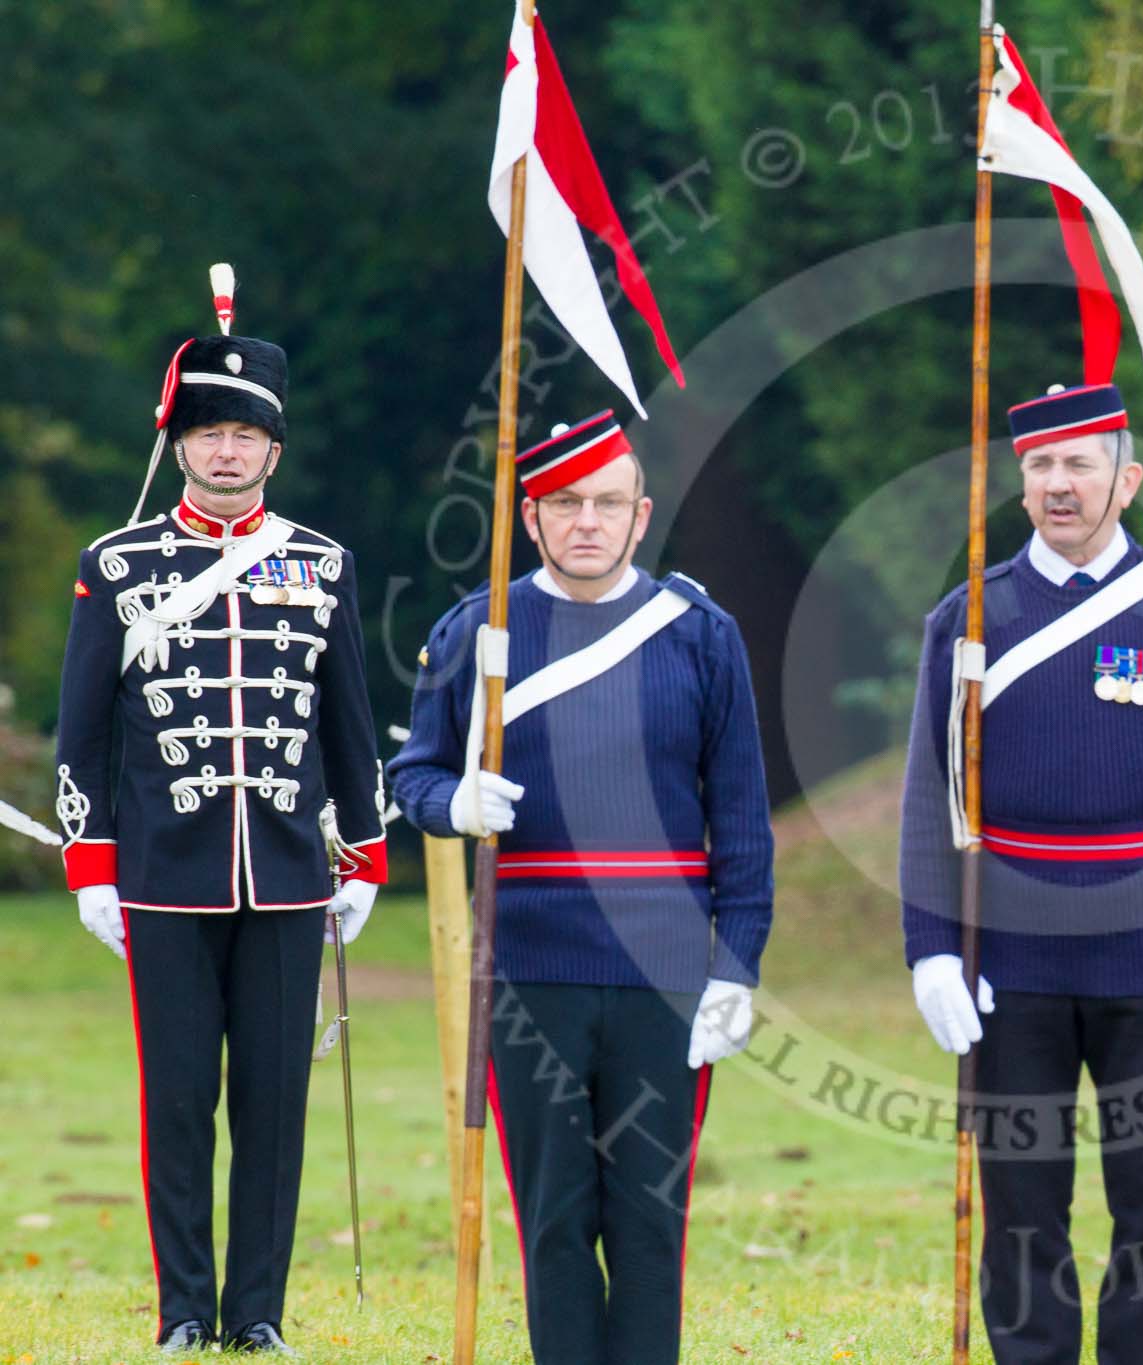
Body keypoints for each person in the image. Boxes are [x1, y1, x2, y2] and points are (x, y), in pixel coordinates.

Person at [897, 381, 1143, 1364]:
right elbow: (927, 799)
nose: (1058, 485)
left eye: (1079, 464)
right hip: (1006, 959)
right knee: (1021, 1208)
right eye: (1038, 467)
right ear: (1019, 484)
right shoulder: (966, 620)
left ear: (1127, 478)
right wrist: (931, 949)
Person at [389, 412, 774, 1365]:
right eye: (566, 504)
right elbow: (415, 777)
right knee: (553, 1215)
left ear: (641, 517)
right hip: (530, 967)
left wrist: (739, 962)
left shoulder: (698, 633)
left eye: (608, 504)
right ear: (532, 517)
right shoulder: (479, 627)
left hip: (665, 970)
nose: (588, 522)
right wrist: (457, 801)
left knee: (650, 1216)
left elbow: (742, 819)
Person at [53, 298, 386, 1354]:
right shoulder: (116, 566)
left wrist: (367, 854)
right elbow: (83, 734)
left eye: (246, 433)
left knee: (276, 1113)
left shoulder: (321, 565)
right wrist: (91, 867)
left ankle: (259, 1317)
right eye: (210, 432)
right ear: (181, 443)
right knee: (180, 1102)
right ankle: (186, 1313)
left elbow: (349, 724)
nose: (228, 449)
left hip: (289, 875)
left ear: (273, 448)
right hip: (160, 874)